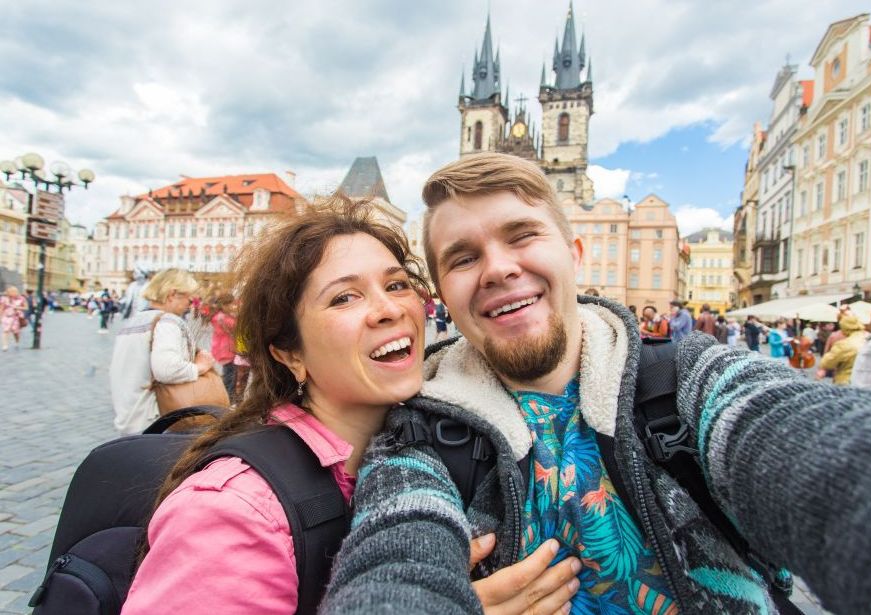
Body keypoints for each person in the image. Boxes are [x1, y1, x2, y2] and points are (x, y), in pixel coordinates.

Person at [319, 153, 871, 615]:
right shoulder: (421, 433)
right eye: (463, 258)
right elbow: (394, 558)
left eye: (522, 235)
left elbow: (816, 449)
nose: (499, 268)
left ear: (576, 254)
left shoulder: (686, 380)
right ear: (442, 295)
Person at [124, 197, 570, 614]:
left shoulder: (453, 445)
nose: (389, 309)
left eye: (397, 285)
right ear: (289, 354)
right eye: (344, 297)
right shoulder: (233, 511)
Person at [109, 269, 216, 435]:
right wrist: (200, 367)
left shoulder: (131, 323)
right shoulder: (167, 322)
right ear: (172, 294)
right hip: (156, 419)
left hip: (129, 416)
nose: (190, 305)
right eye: (189, 298)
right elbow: (167, 369)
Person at [815, 315, 867, 385]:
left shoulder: (844, 344)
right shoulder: (869, 338)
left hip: (846, 381)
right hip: (868, 381)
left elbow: (828, 361)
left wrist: (822, 368)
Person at [210, 292, 238, 400]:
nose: (232, 306)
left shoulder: (220, 316)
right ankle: (227, 398)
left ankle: (227, 396)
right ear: (223, 305)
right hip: (226, 350)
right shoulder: (222, 318)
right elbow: (235, 326)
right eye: (230, 304)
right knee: (230, 375)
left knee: (229, 373)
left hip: (224, 348)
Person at [0, 286, 28, 351]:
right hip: (6, 317)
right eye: (12, 292)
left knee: (15, 332)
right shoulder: (4, 299)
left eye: (15, 291)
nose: (14, 293)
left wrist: (18, 308)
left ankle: (17, 341)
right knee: (5, 331)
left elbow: (26, 308)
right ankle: (5, 345)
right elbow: (1, 308)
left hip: (16, 317)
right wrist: (0, 317)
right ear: (8, 292)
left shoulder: (21, 298)